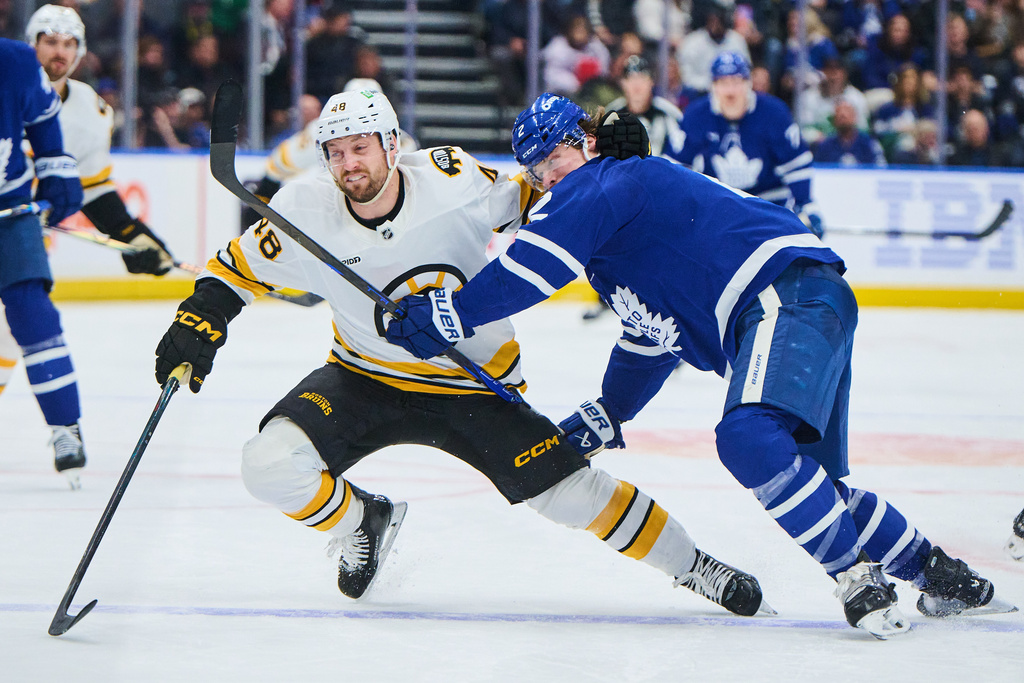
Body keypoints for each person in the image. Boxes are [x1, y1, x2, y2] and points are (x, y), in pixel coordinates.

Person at [384, 92, 1017, 639]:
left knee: (746, 438)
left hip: (779, 295)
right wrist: (609, 412)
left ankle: (857, 579)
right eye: (538, 170)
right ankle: (942, 576)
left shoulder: (605, 179)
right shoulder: (609, 245)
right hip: (797, 302)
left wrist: (450, 313)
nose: (550, 177)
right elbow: (651, 339)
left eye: (556, 157)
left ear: (586, 141)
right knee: (815, 488)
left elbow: (534, 266)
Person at [151, 88, 772, 614]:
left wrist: (607, 155)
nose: (349, 164)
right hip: (363, 377)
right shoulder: (302, 209)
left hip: (473, 383)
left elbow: (553, 198)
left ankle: (696, 567)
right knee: (268, 464)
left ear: (393, 144)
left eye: (360, 147)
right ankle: (360, 524)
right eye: (336, 152)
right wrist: (198, 323)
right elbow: (233, 270)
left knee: (570, 494)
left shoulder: (450, 180)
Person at [0, 36, 85, 487]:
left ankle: (65, 428)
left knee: (34, 315)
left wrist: (56, 167)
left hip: (9, 213)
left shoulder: (13, 60)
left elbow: (43, 119)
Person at [669, 51, 824, 238]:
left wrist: (803, 204)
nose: (730, 91)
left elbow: (796, 162)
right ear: (713, 87)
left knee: (811, 227)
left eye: (736, 82)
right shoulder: (696, 116)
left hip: (769, 206)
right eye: (723, 83)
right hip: (719, 208)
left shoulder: (774, 113)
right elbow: (674, 167)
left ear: (748, 84)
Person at [240, 78, 417, 230]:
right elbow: (279, 164)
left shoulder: (403, 142)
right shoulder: (321, 131)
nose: (350, 163)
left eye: (360, 147)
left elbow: (278, 165)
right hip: (332, 213)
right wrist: (261, 206)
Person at [813, 100, 887, 166]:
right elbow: (817, 169)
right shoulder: (825, 146)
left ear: (855, 117)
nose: (843, 116)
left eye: (847, 113)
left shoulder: (870, 144)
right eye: (839, 115)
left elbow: (881, 168)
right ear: (834, 120)